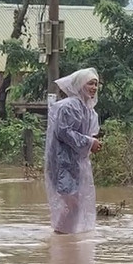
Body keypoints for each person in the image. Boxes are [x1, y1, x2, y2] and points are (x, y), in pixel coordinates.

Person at [46, 68, 102, 234]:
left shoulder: (89, 110)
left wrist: (92, 143)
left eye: (96, 84)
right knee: (73, 205)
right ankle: (60, 238)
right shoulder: (69, 106)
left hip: (76, 164)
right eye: (90, 83)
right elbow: (64, 132)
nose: (94, 87)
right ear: (80, 85)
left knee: (76, 205)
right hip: (62, 164)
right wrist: (89, 142)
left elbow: (87, 134)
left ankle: (64, 239)